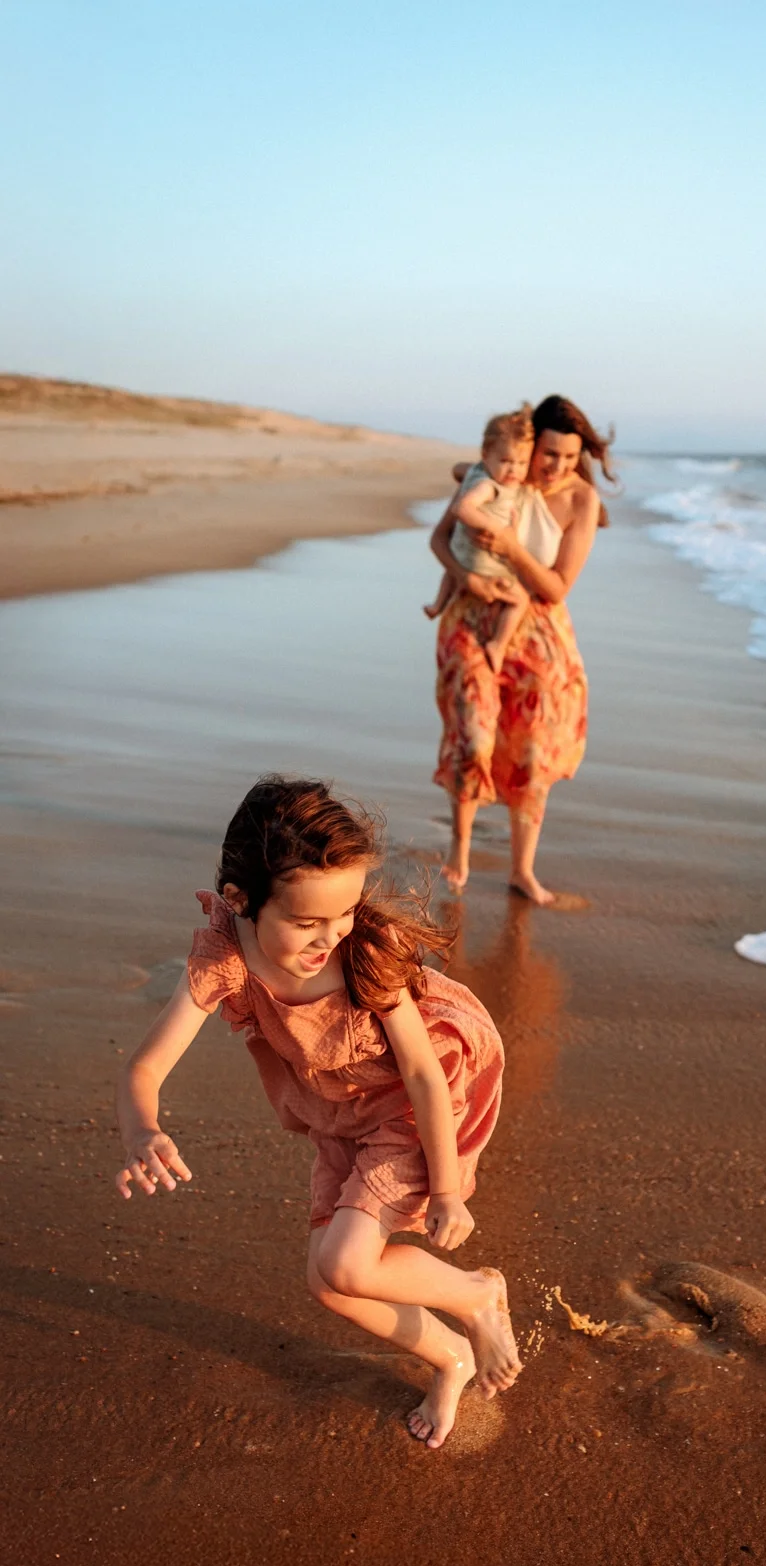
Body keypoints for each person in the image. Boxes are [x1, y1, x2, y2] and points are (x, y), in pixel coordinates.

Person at [113, 774, 520, 1451]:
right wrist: (141, 1129)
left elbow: (421, 1071)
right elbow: (144, 1067)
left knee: (349, 1263)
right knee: (328, 1283)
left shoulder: (364, 951)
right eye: (306, 923)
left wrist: (447, 1189)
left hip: (409, 1115)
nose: (328, 936)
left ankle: (476, 1295)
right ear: (242, 901)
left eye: (344, 912)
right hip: (339, 1117)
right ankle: (450, 1356)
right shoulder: (224, 959)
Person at [431, 394, 614, 903]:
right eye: (548, 453)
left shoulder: (582, 500)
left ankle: (521, 870)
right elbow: (449, 520)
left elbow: (556, 587)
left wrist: (510, 547)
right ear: (530, 447)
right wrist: (468, 576)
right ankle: (459, 851)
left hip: (539, 630)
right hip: (472, 615)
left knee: (533, 754)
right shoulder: (505, 475)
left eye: (569, 456)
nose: (555, 466)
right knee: (473, 736)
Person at [424, 405, 534, 674]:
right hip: (487, 567)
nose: (514, 471)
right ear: (486, 455)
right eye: (507, 462)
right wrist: (495, 528)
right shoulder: (490, 486)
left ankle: (438, 603)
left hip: (460, 553)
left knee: (451, 568)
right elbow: (462, 508)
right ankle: (498, 643)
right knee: (520, 600)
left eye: (522, 464)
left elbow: (458, 470)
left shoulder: (477, 472)